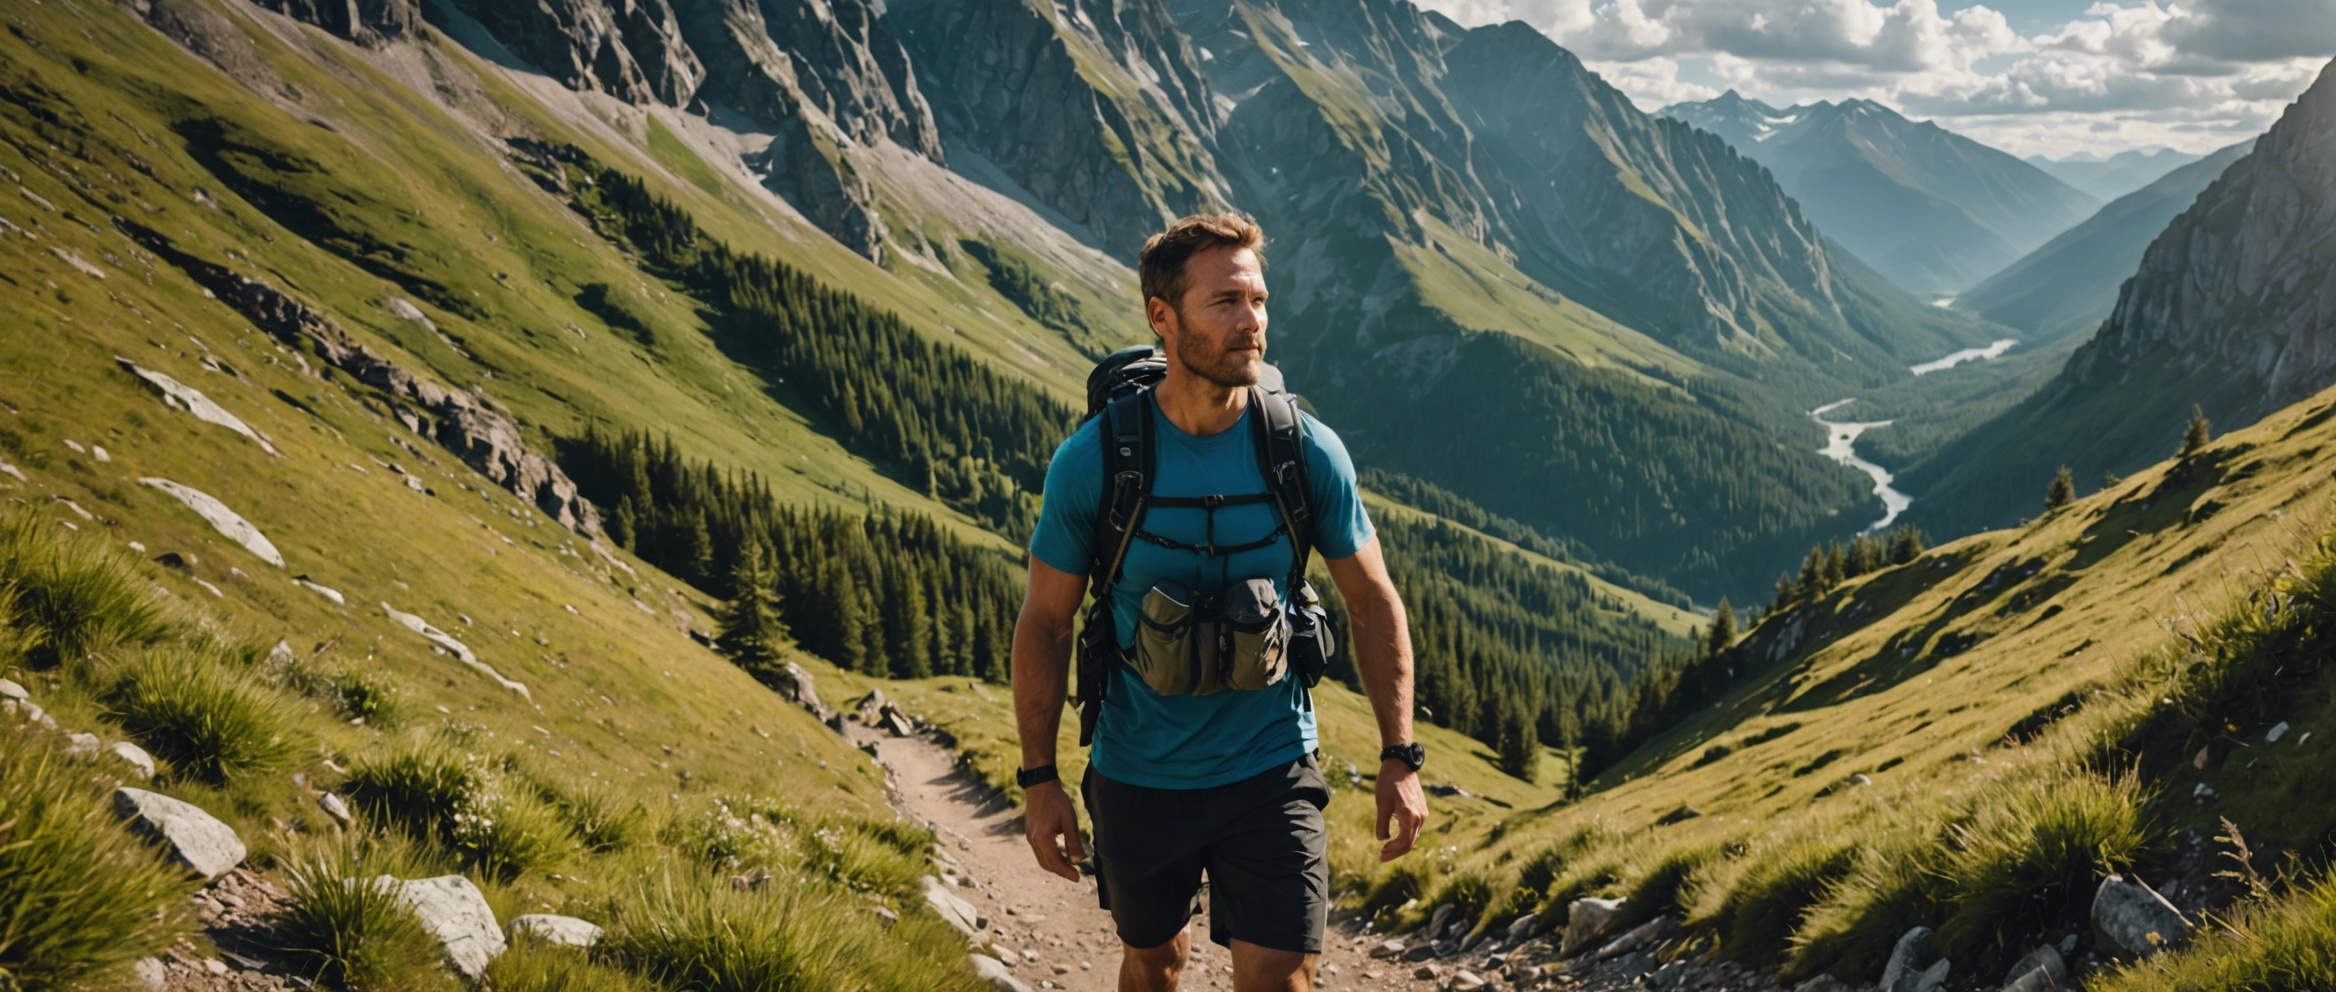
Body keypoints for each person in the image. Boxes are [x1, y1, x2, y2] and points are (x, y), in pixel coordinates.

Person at [1011, 213, 1429, 992]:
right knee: (1155, 964)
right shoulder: (1096, 461)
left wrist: (1400, 755)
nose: (1252, 323)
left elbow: (1372, 600)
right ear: (1161, 317)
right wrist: (1040, 781)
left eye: (1259, 300)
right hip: (1139, 771)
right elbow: (1046, 619)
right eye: (1226, 302)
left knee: (1280, 979)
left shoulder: (1303, 448)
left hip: (1270, 768)